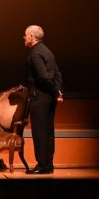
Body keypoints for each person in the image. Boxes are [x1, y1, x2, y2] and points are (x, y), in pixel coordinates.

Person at [23, 24, 63, 174]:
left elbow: (42, 77)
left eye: (26, 35)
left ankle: (42, 165)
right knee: (48, 131)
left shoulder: (35, 53)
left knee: (40, 132)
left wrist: (55, 91)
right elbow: (57, 73)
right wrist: (58, 91)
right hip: (49, 97)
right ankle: (48, 164)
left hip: (40, 96)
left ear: (32, 37)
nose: (24, 38)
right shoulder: (47, 51)